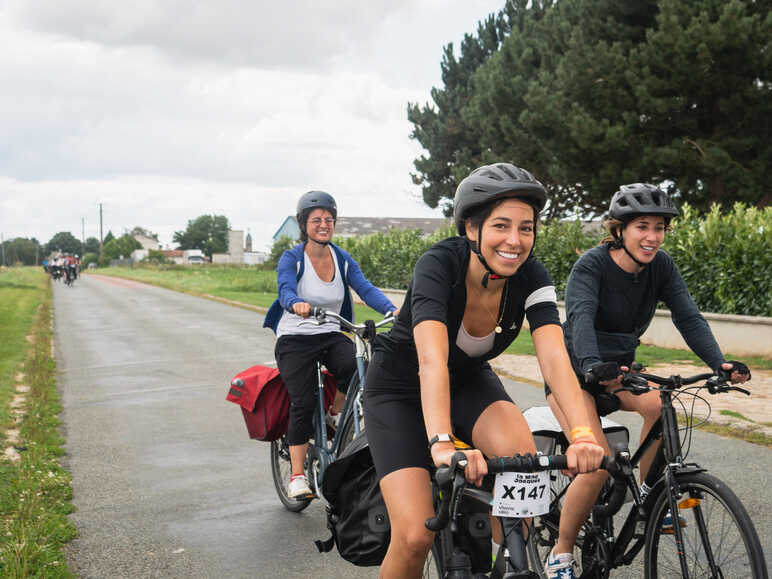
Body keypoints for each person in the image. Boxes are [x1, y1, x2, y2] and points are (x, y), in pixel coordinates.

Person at [362, 163, 605, 579]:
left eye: (526, 228)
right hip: (399, 389)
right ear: (472, 228)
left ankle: (504, 565)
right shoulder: (439, 266)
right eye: (502, 226)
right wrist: (441, 442)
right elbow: (431, 361)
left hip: (470, 382)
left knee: (524, 489)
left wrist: (581, 434)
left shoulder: (531, 276)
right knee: (416, 535)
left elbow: (554, 358)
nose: (515, 241)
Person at [544, 183, 752, 578]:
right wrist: (591, 364)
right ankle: (562, 550)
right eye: (643, 226)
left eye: (659, 227)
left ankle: (653, 497)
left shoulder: (662, 267)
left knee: (662, 404)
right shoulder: (591, 265)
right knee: (599, 462)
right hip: (577, 374)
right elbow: (582, 317)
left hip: (620, 371)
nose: (653, 237)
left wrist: (719, 363)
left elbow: (688, 317)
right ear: (619, 229)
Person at [263, 190, 397, 499]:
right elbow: (284, 288)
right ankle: (297, 476)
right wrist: (295, 302)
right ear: (304, 224)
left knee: (357, 367)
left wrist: (392, 310)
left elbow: (364, 288)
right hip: (295, 337)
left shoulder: (342, 258)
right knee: (303, 402)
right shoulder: (293, 258)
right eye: (317, 220)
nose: (324, 224)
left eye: (328, 219)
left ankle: (336, 413)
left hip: (330, 333)